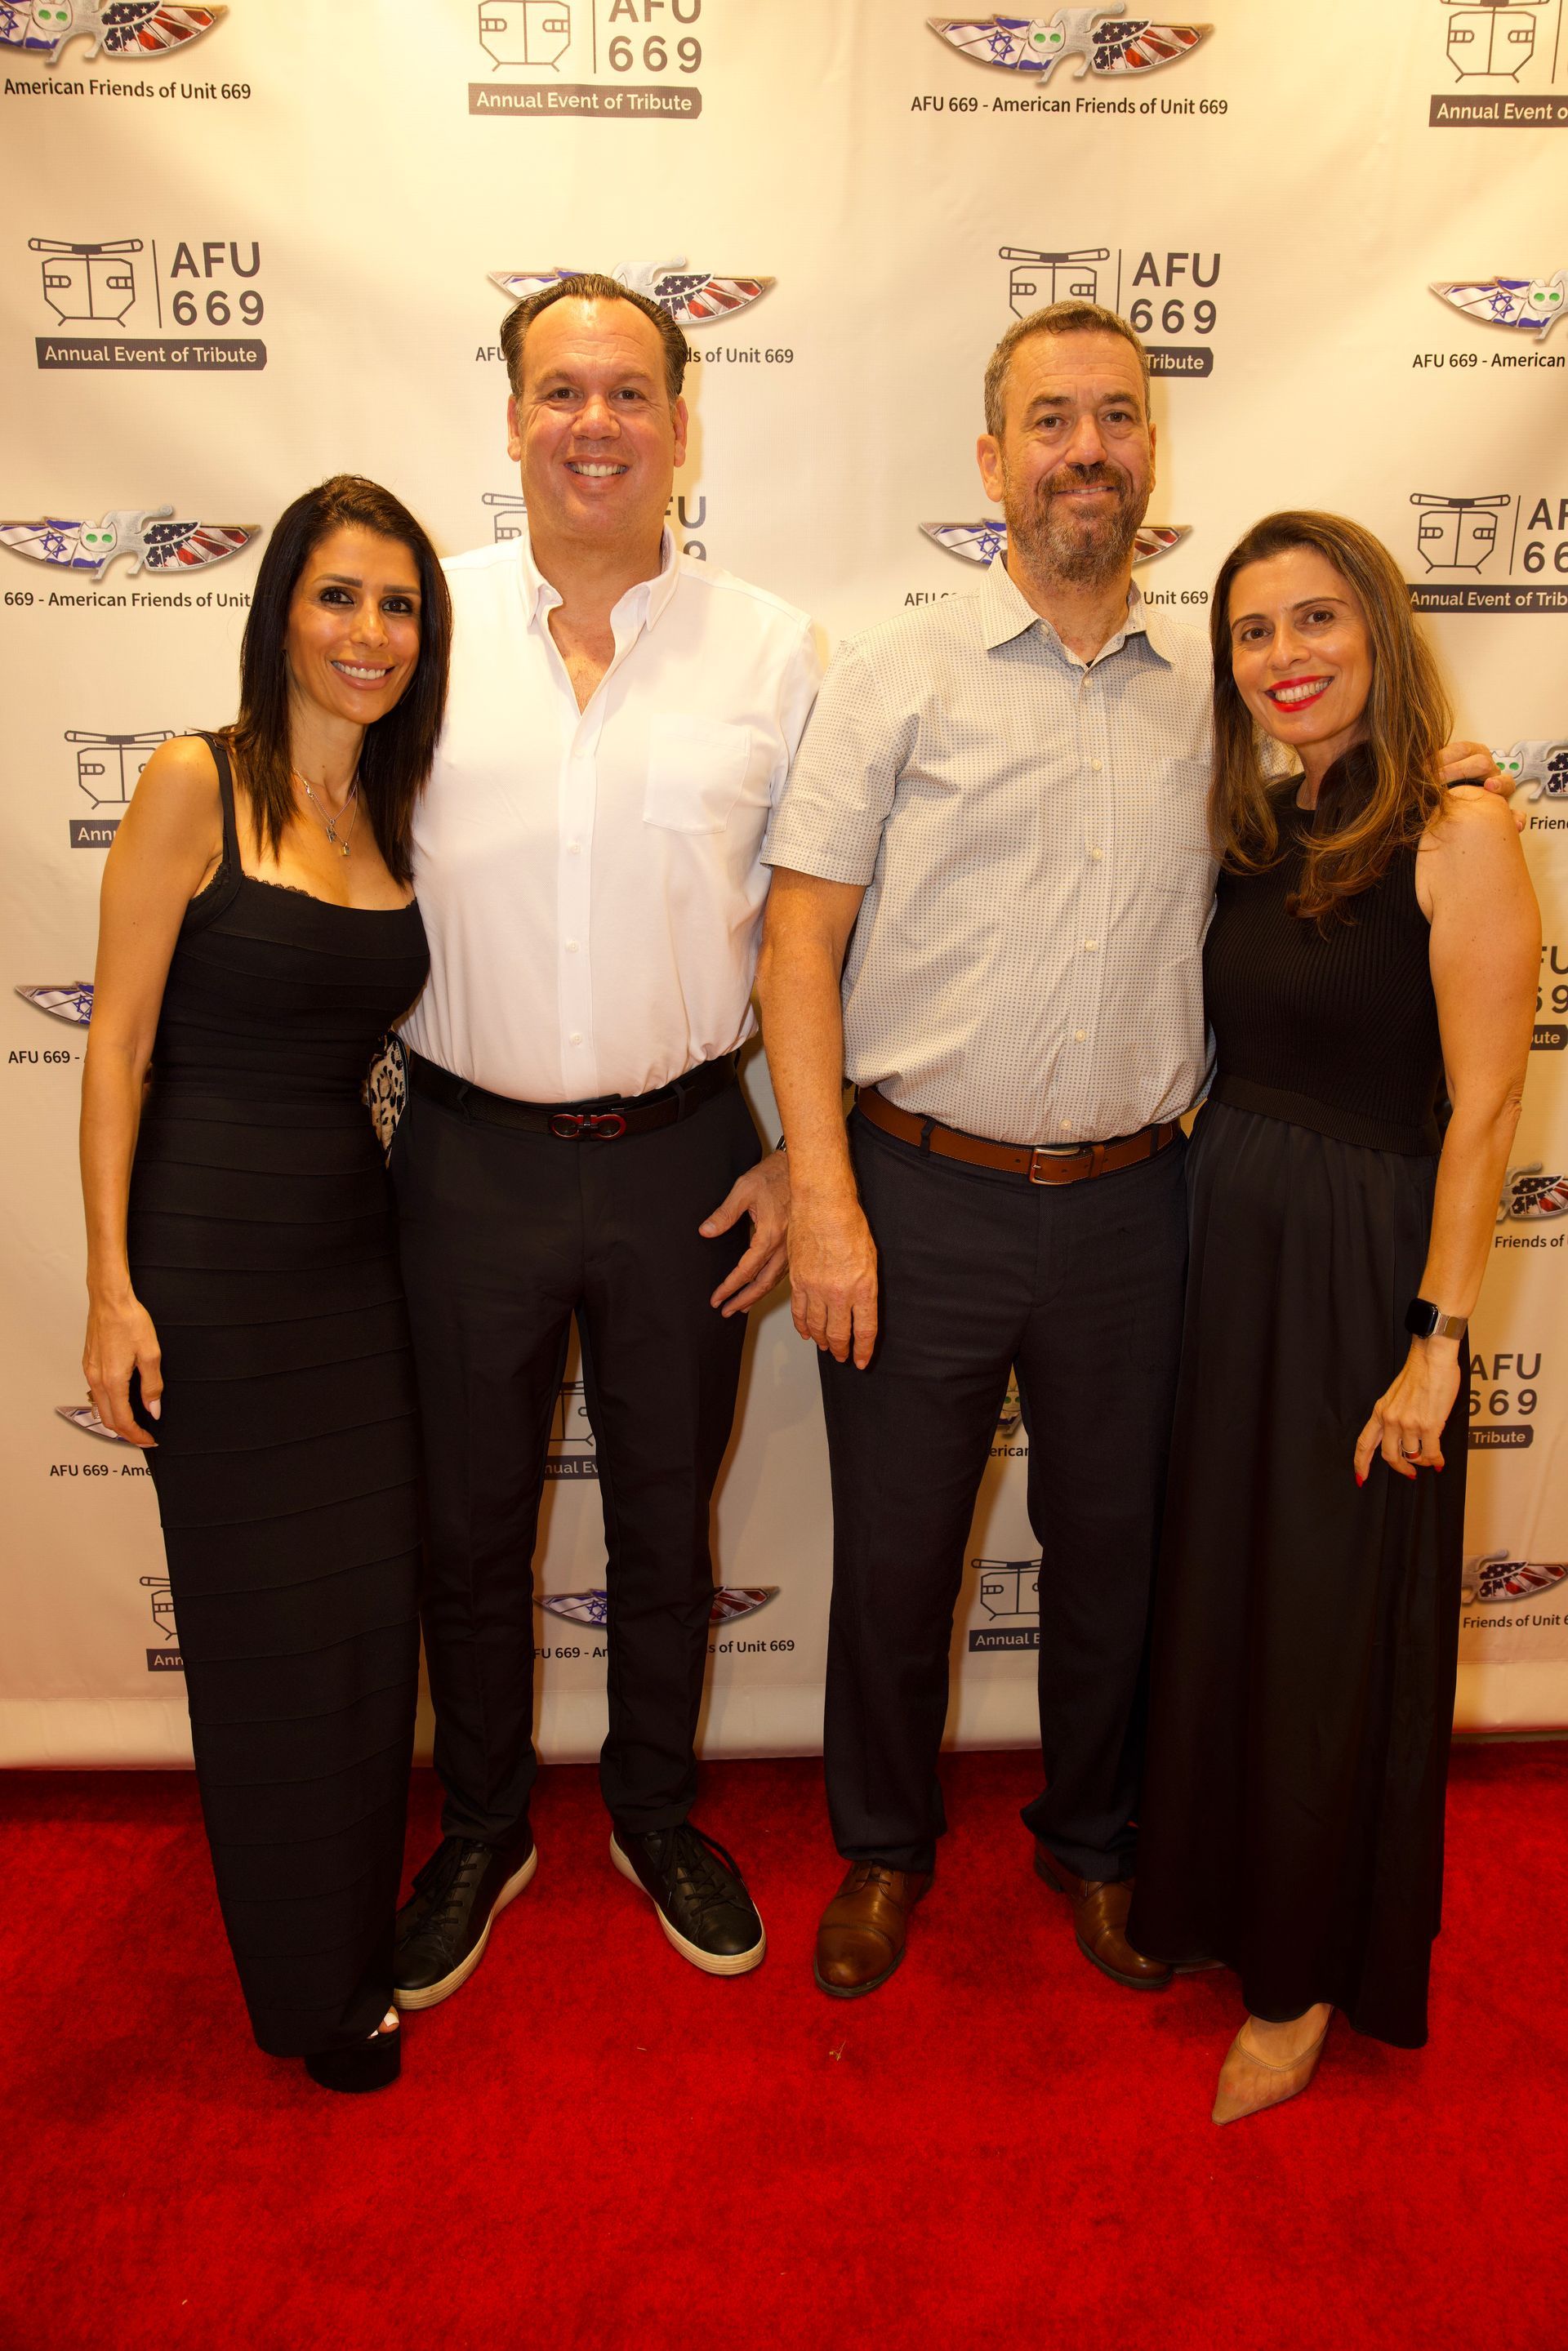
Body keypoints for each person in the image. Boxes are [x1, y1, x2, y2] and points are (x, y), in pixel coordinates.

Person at [755, 301, 1506, 2001]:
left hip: (1143, 1207)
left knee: (1118, 1558)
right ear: (992, 461)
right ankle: (885, 1848)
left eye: (1113, 417)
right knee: (895, 1555)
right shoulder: (896, 677)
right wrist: (823, 1188)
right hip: (917, 1190)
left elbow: (1346, 807)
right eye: (1050, 421)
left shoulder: (1220, 706)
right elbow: (797, 943)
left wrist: (1454, 778)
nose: (1083, 449)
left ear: (1150, 456)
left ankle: (1096, 1843)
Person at [389, 274, 820, 2007]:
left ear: (681, 424)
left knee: (662, 1515)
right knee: (468, 1525)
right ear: (511, 419)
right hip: (464, 1159)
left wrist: (801, 1157)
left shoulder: (774, 651)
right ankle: (483, 1826)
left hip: (686, 1157)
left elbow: (827, 923)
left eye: (630, 392)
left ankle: (652, 1808)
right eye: (561, 390)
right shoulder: (414, 628)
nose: (595, 423)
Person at [1125, 514, 1537, 2123]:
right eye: (1253, 632)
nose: (1284, 657)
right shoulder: (1260, 822)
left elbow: (1487, 1110)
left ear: (1377, 629)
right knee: (1228, 1597)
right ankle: (1211, 1903)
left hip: (1364, 1275)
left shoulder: (1460, 825)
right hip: (1230, 1247)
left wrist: (1437, 1341)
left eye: (1315, 620)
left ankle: (1299, 1982)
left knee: (1322, 1627)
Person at [80, 474, 450, 2091]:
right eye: (339, 596)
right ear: (280, 609)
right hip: (211, 1258)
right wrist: (111, 1288)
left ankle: (349, 1929)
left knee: (363, 1619)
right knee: (259, 1636)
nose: (371, 632)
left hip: (353, 1255)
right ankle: (314, 1992)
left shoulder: (391, 812)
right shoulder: (196, 782)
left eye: (399, 605)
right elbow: (115, 1047)